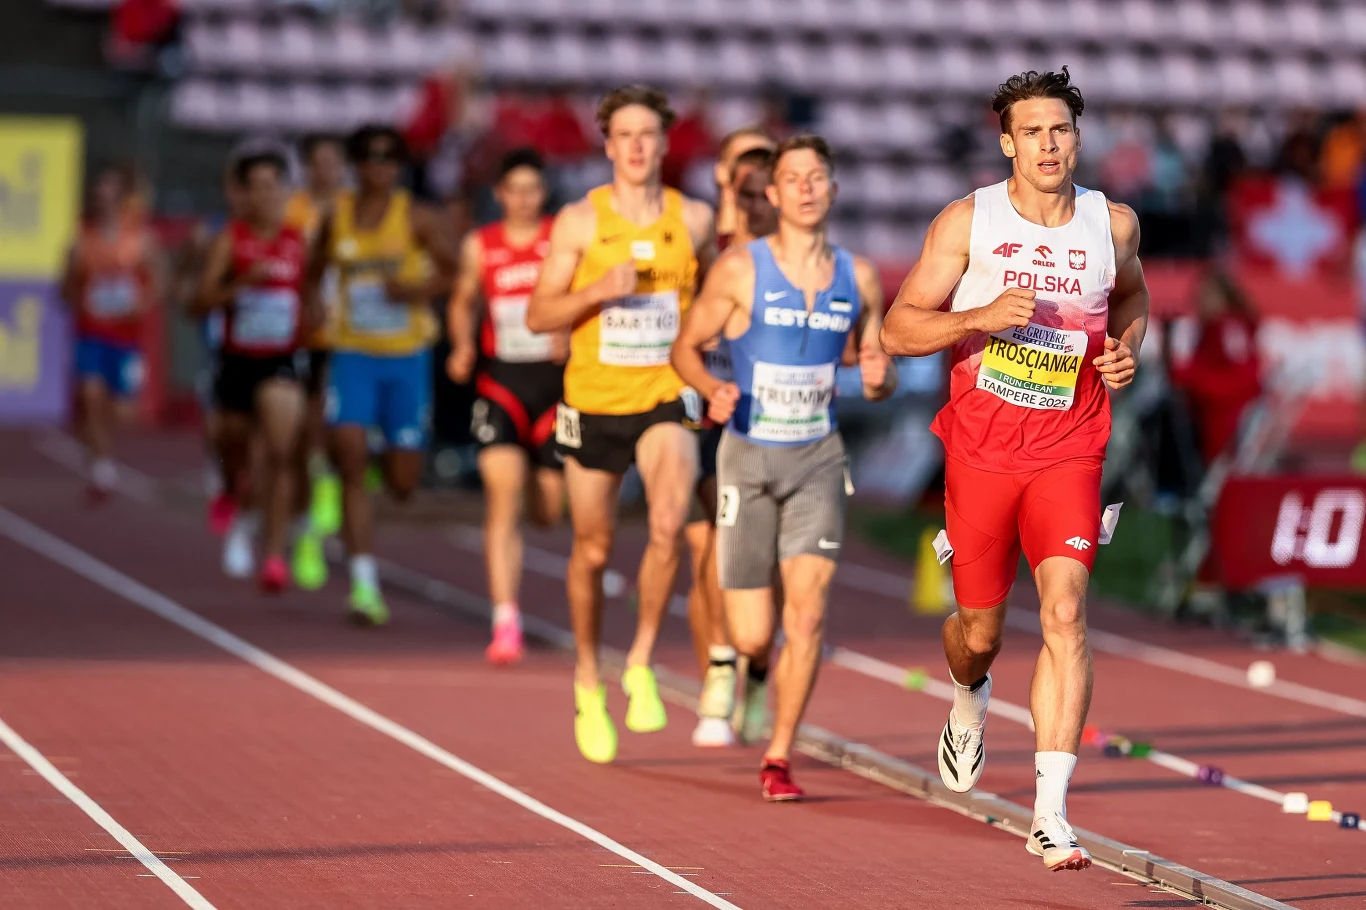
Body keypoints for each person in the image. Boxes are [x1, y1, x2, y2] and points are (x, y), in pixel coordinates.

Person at [879, 68, 1149, 870]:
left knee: (1065, 615)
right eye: (1031, 131)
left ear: (1078, 135)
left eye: (1059, 128)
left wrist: (1126, 352)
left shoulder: (1116, 224)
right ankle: (968, 693)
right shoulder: (970, 221)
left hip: (1071, 444)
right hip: (983, 449)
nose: (1047, 143)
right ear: (1007, 143)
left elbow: (1132, 301)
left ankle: (1051, 814)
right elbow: (897, 329)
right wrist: (976, 317)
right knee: (980, 634)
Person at [672, 134, 896, 800]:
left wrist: (879, 378)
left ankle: (777, 758)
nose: (803, 187)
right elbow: (686, 347)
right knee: (752, 632)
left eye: (815, 176)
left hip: (817, 460)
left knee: (807, 617)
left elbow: (874, 367)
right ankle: (756, 670)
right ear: (772, 193)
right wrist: (710, 389)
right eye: (790, 178)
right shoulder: (741, 269)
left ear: (832, 189)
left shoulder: (858, 278)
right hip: (746, 457)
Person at [527, 84, 715, 764]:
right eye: (624, 136)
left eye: (648, 135)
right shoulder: (580, 222)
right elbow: (539, 316)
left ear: (664, 144)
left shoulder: (694, 219)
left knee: (668, 525)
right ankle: (586, 676)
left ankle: (638, 661)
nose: (636, 147)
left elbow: (716, 296)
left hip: (665, 393)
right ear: (608, 147)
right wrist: (595, 293)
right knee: (595, 549)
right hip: (594, 400)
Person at [306, 125, 457, 625]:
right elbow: (311, 270)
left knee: (402, 483)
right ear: (357, 165)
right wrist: (313, 315)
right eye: (371, 158)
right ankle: (364, 585)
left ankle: (377, 457)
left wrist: (415, 292)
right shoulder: (338, 218)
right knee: (348, 453)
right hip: (353, 354)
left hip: (406, 358)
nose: (381, 167)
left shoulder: (416, 217)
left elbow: (455, 272)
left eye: (390, 159)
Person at [447, 148, 565, 665]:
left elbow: (585, 295)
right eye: (513, 191)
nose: (522, 200)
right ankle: (505, 617)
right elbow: (462, 299)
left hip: (557, 389)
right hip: (501, 385)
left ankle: (509, 609)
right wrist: (462, 344)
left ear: (543, 194)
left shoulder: (562, 239)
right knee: (503, 496)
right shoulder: (482, 245)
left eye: (531, 190)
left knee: (548, 510)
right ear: (499, 195)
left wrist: (570, 330)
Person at [689, 142, 780, 749]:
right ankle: (719, 671)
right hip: (715, 415)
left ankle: (755, 673)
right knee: (710, 552)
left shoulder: (809, 262)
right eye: (741, 192)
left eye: (762, 191)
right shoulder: (710, 251)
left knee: (761, 562)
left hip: (778, 421)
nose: (752, 205)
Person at [192, 150, 314, 591]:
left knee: (281, 452)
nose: (267, 195)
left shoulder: (301, 242)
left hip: (280, 360)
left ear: (286, 191)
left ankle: (275, 554)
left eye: (274, 186)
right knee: (235, 448)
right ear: (244, 193)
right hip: (236, 360)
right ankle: (236, 501)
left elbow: (315, 295)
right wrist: (243, 283)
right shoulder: (231, 240)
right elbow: (200, 302)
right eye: (257, 187)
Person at [60, 164, 161, 503]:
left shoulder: (141, 239)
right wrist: (78, 296)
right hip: (90, 334)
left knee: (121, 411)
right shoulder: (80, 239)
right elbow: (66, 289)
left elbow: (161, 280)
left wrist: (143, 302)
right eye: (99, 195)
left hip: (126, 338)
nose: (104, 201)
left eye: (111, 195)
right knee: (90, 396)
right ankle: (101, 468)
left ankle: (100, 447)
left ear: (121, 200)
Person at [285, 133, 350, 590]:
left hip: (348, 336)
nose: (325, 170)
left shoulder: (356, 211)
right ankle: (312, 507)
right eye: (317, 162)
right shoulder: (293, 212)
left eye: (333, 162)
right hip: (299, 334)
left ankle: (326, 496)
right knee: (303, 428)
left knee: (337, 425)